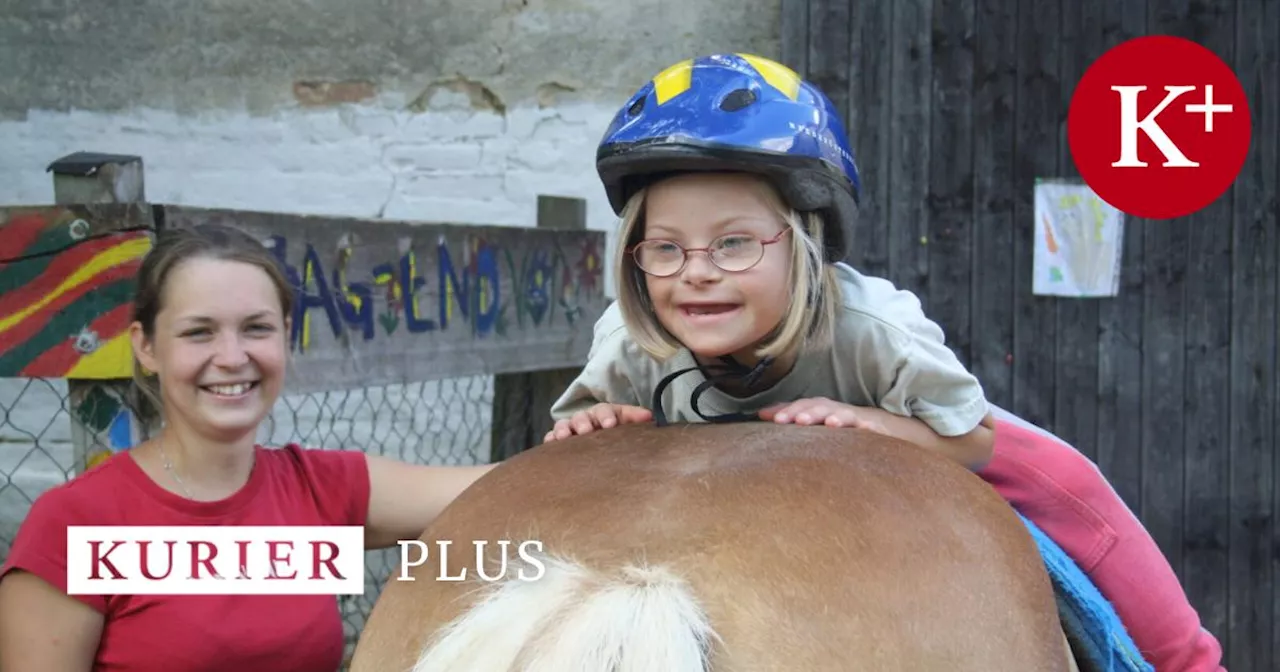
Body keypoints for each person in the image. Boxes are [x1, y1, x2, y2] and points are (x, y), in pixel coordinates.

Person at [544, 53, 1226, 672]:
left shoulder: (876, 329)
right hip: (709, 472)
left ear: (806, 241)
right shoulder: (631, 339)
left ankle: (1188, 660)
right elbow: (583, 430)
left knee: (1072, 485)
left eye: (733, 243)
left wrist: (870, 425)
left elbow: (973, 438)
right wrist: (600, 424)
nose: (695, 272)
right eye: (664, 248)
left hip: (921, 426)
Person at [0, 223, 496, 671]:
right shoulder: (76, 524)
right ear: (146, 346)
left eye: (256, 328)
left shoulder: (321, 491)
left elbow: (507, 488)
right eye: (199, 332)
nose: (233, 357)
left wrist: (573, 434)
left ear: (284, 335)